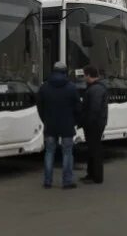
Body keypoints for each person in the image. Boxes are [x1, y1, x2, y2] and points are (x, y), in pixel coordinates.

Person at [37, 61, 81, 189]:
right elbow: (78, 107)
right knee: (67, 153)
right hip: (67, 125)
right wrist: (75, 122)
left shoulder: (44, 87)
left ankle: (47, 181)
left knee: (49, 152)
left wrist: (45, 120)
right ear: (65, 72)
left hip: (50, 125)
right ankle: (67, 181)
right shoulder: (71, 87)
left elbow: (40, 106)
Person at [80, 65, 108, 184]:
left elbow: (94, 109)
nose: (83, 78)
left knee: (95, 150)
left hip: (94, 124)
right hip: (97, 123)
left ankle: (96, 176)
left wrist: (87, 122)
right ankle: (91, 174)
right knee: (92, 149)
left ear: (88, 75)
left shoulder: (95, 89)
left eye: (84, 75)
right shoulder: (97, 88)